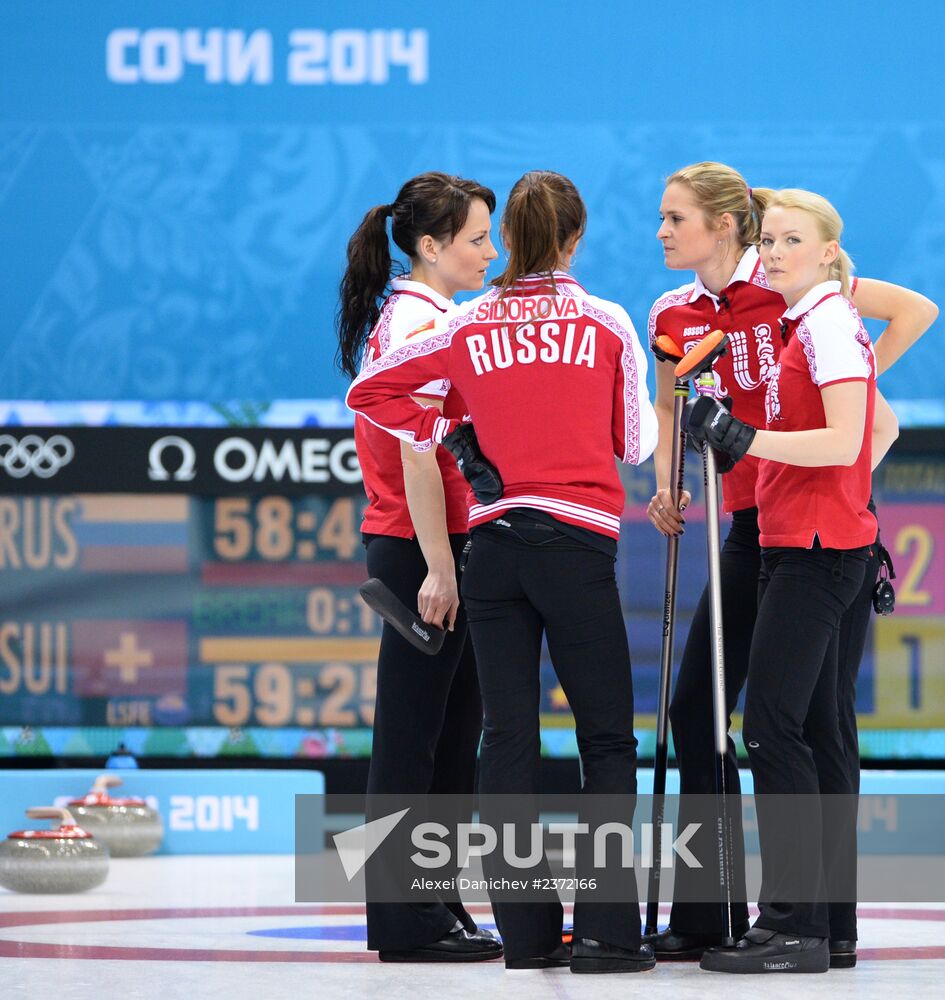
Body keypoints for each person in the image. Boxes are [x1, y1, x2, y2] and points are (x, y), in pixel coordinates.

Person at [347, 170, 660, 973]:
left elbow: (369, 393)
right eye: (472, 237)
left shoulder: (465, 320)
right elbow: (635, 444)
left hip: (485, 547)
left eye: (493, 236)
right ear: (574, 238)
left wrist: (458, 433)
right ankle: (602, 934)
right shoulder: (603, 319)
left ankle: (521, 935)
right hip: (539, 544)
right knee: (600, 740)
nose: (486, 250)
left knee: (495, 739)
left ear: (515, 237)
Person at [645, 162, 937, 966]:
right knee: (709, 712)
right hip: (757, 524)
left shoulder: (797, 296)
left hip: (809, 529)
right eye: (771, 239)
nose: (660, 232)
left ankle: (817, 920)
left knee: (806, 724)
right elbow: (671, 403)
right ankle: (719, 912)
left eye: (675, 218)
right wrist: (669, 480)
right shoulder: (675, 310)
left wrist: (846, 393)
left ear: (723, 224)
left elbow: (903, 334)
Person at [685, 188, 892, 972]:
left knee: (772, 726)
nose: (771, 253)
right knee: (809, 728)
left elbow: (844, 440)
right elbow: (868, 428)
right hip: (813, 542)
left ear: (827, 252)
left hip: (813, 550)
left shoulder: (828, 325)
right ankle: (826, 926)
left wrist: (743, 436)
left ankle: (792, 925)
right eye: (766, 240)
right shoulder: (805, 324)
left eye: (789, 240)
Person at [336, 171, 502, 963]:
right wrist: (439, 566)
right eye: (477, 238)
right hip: (418, 548)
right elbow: (413, 455)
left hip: (442, 544)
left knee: (449, 735)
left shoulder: (428, 313)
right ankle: (405, 920)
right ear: (430, 246)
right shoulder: (418, 322)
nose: (491, 253)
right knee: (409, 740)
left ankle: (438, 905)